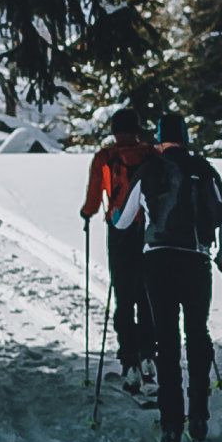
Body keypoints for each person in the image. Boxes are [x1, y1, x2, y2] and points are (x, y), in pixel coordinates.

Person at [112, 109, 222, 442]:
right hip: (196, 261)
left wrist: (119, 219)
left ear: (160, 138)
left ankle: (170, 425)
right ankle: (198, 422)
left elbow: (121, 221)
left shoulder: (149, 169)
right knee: (197, 335)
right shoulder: (205, 169)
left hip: (158, 261)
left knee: (166, 342)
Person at [80, 106, 157, 393]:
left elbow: (93, 195)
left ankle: (130, 363)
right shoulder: (151, 154)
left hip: (119, 231)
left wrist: (86, 213)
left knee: (124, 297)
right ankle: (150, 355)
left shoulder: (105, 156)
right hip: (148, 232)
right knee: (147, 295)